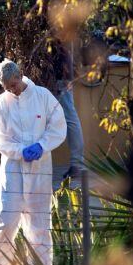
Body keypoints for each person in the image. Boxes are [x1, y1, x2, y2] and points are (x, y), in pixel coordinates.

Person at [0, 59, 67, 265]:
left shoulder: (43, 96)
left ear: (20, 76)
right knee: (5, 220)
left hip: (40, 168)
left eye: (14, 84)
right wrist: (19, 151)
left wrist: (42, 145)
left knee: (39, 223)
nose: (12, 90)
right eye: (7, 87)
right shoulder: (2, 103)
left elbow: (58, 126)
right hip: (13, 169)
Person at [48, 39, 84, 180]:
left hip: (59, 76)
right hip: (61, 75)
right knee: (69, 117)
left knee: (69, 117)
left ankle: (77, 164)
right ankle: (77, 164)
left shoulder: (54, 23)